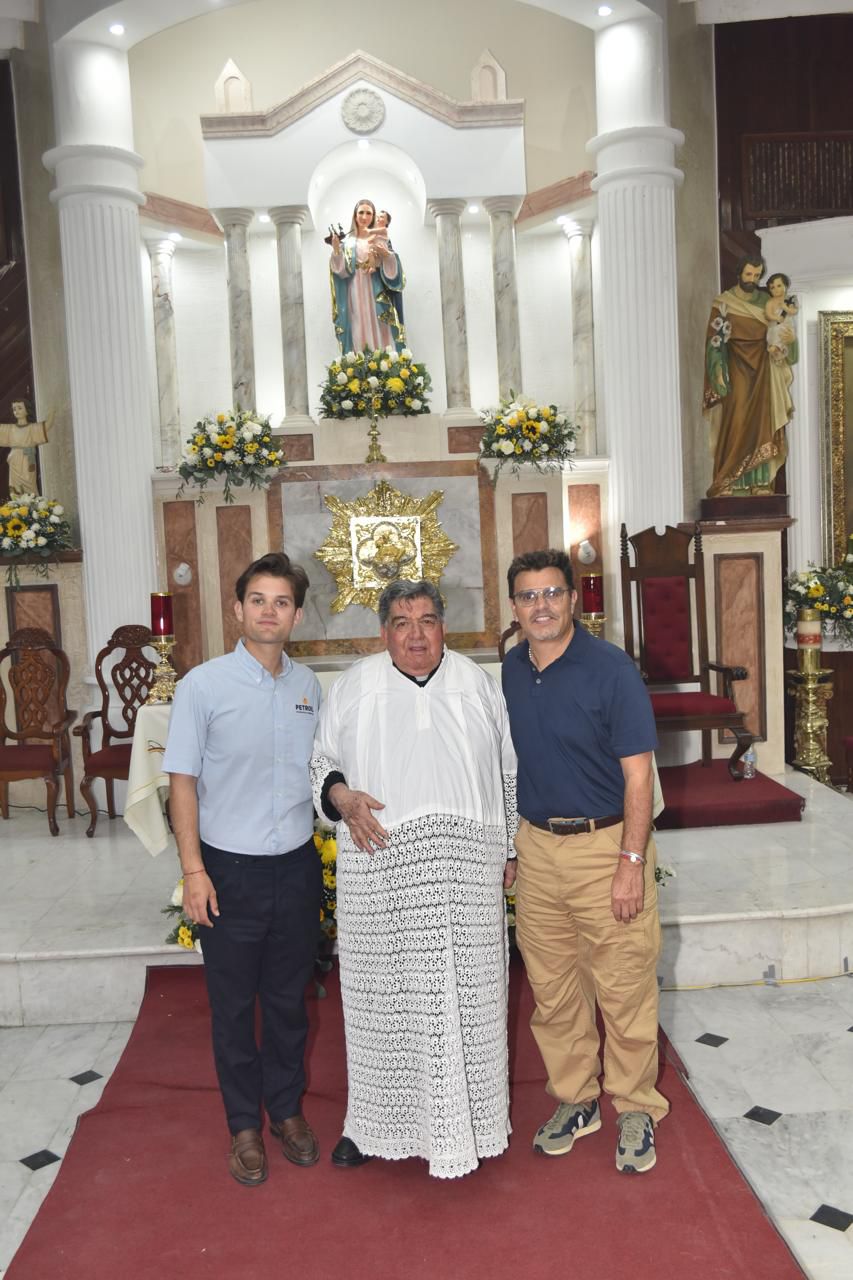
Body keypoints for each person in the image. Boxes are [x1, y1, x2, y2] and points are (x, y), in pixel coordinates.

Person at [311, 579, 517, 1179]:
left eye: (427, 620)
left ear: (443, 627)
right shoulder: (353, 686)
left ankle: (474, 1124)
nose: (416, 634)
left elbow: (508, 770)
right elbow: (321, 763)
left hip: (466, 870)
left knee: (471, 1001)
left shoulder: (478, 683)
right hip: (382, 867)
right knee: (384, 1005)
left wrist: (509, 848)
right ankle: (373, 1126)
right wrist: (340, 797)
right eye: (402, 623)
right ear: (384, 632)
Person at [501, 549, 668, 1175]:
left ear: (572, 599)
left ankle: (636, 1106)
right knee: (553, 989)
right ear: (514, 607)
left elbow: (639, 776)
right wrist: (511, 848)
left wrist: (631, 861)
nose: (541, 606)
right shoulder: (512, 669)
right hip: (538, 848)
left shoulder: (611, 670)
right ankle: (576, 1099)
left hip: (605, 846)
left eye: (552, 593)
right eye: (528, 596)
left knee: (624, 987)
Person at [163, 551, 323, 1187]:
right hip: (228, 870)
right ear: (238, 609)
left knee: (289, 1002)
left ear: (297, 615)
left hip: (297, 866)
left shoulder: (309, 687)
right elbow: (181, 783)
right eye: (258, 600)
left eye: (281, 602)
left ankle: (285, 1111)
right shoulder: (203, 686)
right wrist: (193, 871)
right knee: (232, 1007)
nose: (268, 612)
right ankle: (243, 1127)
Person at [702, 254, 797, 497]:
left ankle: (760, 483)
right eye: (748, 274)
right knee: (736, 421)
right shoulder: (724, 302)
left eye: (756, 275)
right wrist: (717, 370)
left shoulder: (767, 301)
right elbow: (714, 342)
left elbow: (783, 339)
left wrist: (791, 342)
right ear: (739, 273)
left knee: (762, 423)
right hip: (736, 368)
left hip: (763, 368)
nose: (752, 279)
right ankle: (728, 481)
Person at [330, 198, 406, 354]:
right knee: (358, 321)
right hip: (355, 289)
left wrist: (387, 256)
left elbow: (393, 271)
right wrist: (337, 251)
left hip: (375, 286)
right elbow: (340, 271)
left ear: (373, 216)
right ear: (355, 215)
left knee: (380, 320)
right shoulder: (349, 243)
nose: (364, 217)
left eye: (369, 213)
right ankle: (359, 361)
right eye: (361, 212)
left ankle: (384, 359)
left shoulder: (379, 238)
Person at [0, 400, 50, 497]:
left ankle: (32, 503)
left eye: (19, 408)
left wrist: (53, 412)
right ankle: (18, 504)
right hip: (15, 460)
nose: (16, 411)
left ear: (27, 410)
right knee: (16, 489)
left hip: (28, 459)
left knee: (30, 483)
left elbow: (46, 426)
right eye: (14, 409)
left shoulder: (32, 428)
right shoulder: (10, 428)